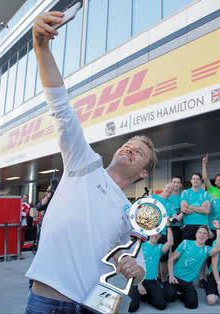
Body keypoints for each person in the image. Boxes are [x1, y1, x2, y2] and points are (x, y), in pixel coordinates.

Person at [26, 11, 157, 312]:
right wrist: (41, 48)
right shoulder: (83, 162)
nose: (129, 149)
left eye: (139, 152)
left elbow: (131, 262)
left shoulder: (131, 212)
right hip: (49, 300)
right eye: (128, 144)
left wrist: (137, 272)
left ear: (143, 172)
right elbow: (60, 106)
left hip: (97, 305)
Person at [165, 221, 220, 309]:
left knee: (192, 304)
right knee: (169, 297)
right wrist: (171, 276)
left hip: (187, 282)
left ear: (207, 237)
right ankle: (168, 287)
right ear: (196, 235)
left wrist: (218, 229)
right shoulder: (185, 243)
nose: (202, 235)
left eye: (204, 234)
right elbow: (171, 259)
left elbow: (219, 248)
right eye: (200, 232)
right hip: (175, 277)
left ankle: (181, 294)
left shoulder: (206, 250)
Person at [128, 220, 173, 312]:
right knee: (132, 308)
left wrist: (168, 226)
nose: (155, 235)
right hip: (137, 279)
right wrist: (139, 284)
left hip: (151, 281)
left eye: (158, 233)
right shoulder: (140, 245)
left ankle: (146, 296)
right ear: (149, 233)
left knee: (162, 305)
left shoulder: (159, 248)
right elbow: (133, 264)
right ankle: (138, 293)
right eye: (153, 232)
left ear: (160, 235)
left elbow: (170, 243)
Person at [149, 183, 175, 281]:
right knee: (152, 257)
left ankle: (163, 281)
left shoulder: (171, 203)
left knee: (163, 259)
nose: (169, 190)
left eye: (172, 189)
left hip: (163, 233)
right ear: (163, 188)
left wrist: (173, 218)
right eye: (168, 187)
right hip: (150, 232)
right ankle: (152, 279)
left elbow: (174, 217)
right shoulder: (152, 197)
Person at [180, 173, 211, 241]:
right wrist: (200, 208)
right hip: (188, 225)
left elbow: (207, 211)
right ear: (191, 180)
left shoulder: (205, 193)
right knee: (188, 249)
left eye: (198, 179)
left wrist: (189, 206)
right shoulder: (185, 192)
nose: (195, 181)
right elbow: (184, 210)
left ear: (200, 181)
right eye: (194, 179)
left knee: (202, 249)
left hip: (202, 225)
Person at [167, 176, 184, 252]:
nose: (176, 184)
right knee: (164, 253)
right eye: (174, 182)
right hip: (166, 227)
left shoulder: (183, 197)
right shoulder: (166, 197)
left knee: (176, 251)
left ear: (180, 184)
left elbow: (184, 212)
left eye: (178, 182)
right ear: (171, 183)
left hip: (178, 227)